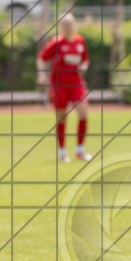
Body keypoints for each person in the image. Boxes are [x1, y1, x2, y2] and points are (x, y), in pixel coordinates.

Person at [38, 13, 92, 163]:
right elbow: (42, 59)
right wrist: (42, 75)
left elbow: (85, 59)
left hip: (76, 83)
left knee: (83, 112)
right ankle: (62, 152)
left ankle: (80, 151)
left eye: (69, 24)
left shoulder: (80, 41)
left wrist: (84, 66)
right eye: (64, 25)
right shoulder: (56, 42)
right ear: (60, 27)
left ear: (74, 25)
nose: (67, 27)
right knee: (62, 117)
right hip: (59, 85)